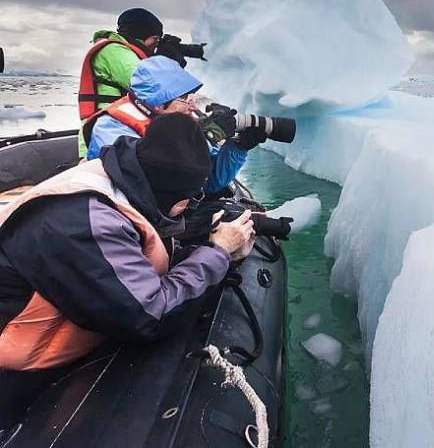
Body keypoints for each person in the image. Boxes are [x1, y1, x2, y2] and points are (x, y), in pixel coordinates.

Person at [0, 114, 256, 430]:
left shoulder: (116, 178)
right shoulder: (82, 222)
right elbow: (150, 316)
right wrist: (218, 253)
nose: (189, 204)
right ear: (168, 189)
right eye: (187, 197)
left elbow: (139, 255)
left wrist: (212, 249)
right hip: (17, 372)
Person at [83, 55, 266, 193]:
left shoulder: (178, 120)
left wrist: (237, 148)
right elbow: (148, 185)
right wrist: (206, 138)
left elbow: (210, 183)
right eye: (185, 97)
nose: (192, 105)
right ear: (160, 101)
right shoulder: (111, 131)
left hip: (170, 213)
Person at [77, 8, 165, 156]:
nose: (156, 44)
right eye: (155, 38)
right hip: (102, 140)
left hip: (117, 136)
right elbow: (150, 87)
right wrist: (165, 61)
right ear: (141, 35)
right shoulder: (114, 50)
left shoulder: (127, 52)